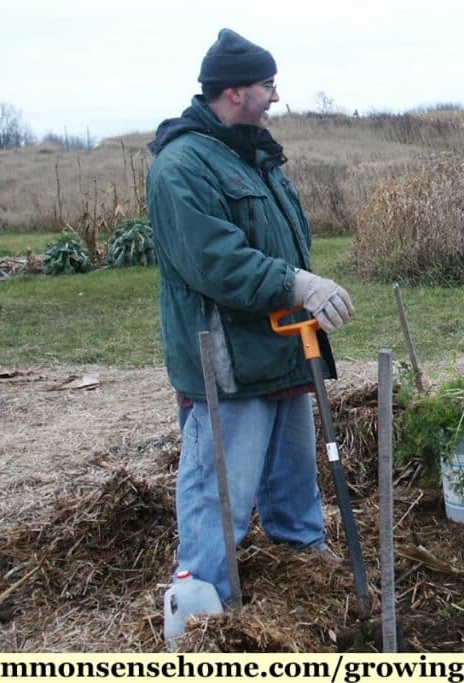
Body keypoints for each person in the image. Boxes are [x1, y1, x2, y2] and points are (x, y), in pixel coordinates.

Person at [146, 28, 355, 603]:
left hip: (281, 343)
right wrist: (297, 283)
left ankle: (302, 558)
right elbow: (215, 261)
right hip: (228, 355)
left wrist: (297, 291)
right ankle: (203, 595)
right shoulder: (182, 165)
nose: (275, 98)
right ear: (235, 92)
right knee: (221, 482)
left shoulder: (251, 153)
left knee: (293, 472)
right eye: (268, 86)